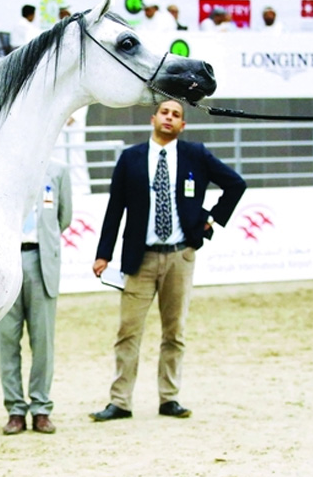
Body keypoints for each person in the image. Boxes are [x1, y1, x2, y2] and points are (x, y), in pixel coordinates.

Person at [89, 100, 247, 422]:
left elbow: (235, 183)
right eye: (165, 112)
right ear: (153, 118)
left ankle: (169, 398)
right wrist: (103, 253)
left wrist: (211, 219)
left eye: (176, 115)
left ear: (182, 126)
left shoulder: (196, 155)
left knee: (174, 333)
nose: (169, 118)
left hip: (180, 256)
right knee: (128, 332)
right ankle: (120, 402)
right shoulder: (130, 159)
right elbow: (115, 208)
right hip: (139, 259)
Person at [0, 160, 73, 436]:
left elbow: (64, 217)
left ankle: (41, 407)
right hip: (7, 261)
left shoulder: (58, 171)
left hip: (41, 261)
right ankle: (15, 409)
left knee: (43, 341)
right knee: (7, 341)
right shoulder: (3, 167)